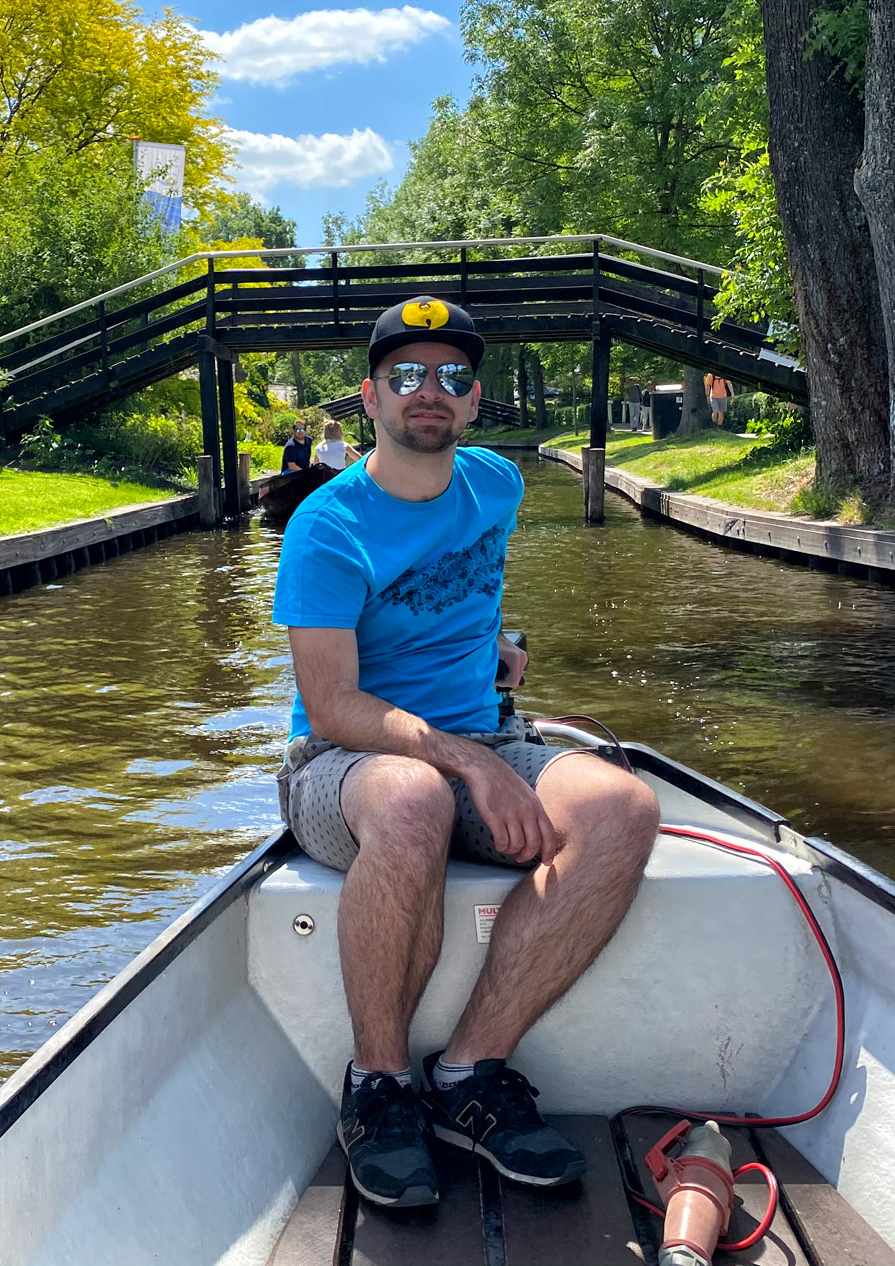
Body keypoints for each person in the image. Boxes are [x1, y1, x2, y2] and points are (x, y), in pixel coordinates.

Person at [273, 295, 660, 1210]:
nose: (429, 393)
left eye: (451, 377)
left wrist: (497, 647)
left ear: (476, 399)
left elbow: (461, 590)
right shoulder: (326, 527)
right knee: (416, 799)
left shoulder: (496, 484)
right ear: (371, 397)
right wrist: (470, 762)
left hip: (486, 736)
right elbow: (331, 706)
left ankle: (469, 1075)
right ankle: (377, 1086)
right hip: (345, 763)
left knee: (622, 811)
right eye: (407, 375)